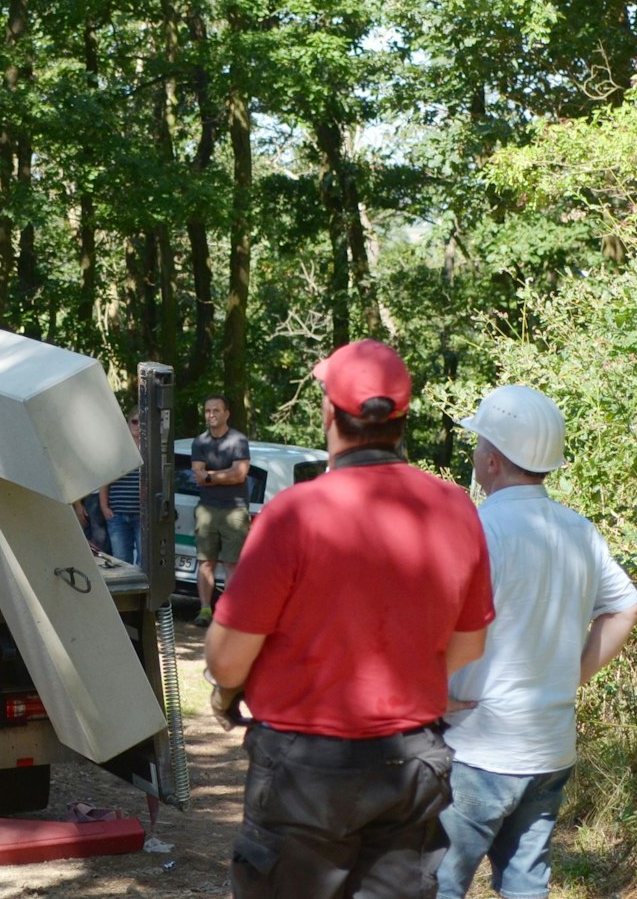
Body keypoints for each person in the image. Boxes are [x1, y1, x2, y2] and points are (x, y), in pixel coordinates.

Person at [205, 340, 495, 899]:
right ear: (402, 419)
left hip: (304, 771)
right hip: (411, 763)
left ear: (329, 415)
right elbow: (468, 644)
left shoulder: (296, 514)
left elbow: (225, 657)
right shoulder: (455, 507)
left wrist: (230, 692)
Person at [435, 386, 637, 899]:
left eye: (478, 442)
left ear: (492, 458)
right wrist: (571, 676)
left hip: (477, 745)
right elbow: (626, 605)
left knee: (437, 882)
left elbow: (438, 624)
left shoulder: (478, 529)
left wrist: (427, 691)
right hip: (548, 746)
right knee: (527, 883)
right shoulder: (579, 530)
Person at [190, 394, 251, 626]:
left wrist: (211, 476)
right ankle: (205, 610)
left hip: (234, 509)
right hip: (207, 509)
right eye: (207, 411)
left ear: (226, 413)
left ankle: (230, 611)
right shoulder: (200, 442)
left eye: (216, 410)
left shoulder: (238, 441)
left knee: (232, 563)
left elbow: (240, 474)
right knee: (206, 561)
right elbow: (198, 476)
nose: (211, 415)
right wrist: (224, 475)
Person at [101, 412, 144, 566]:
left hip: (143, 515)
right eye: (134, 421)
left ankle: (142, 591)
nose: (138, 426)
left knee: (144, 562)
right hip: (117, 514)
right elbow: (105, 480)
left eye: (142, 422)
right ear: (127, 423)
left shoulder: (152, 450)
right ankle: (128, 591)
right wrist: (104, 507)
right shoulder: (116, 449)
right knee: (120, 562)